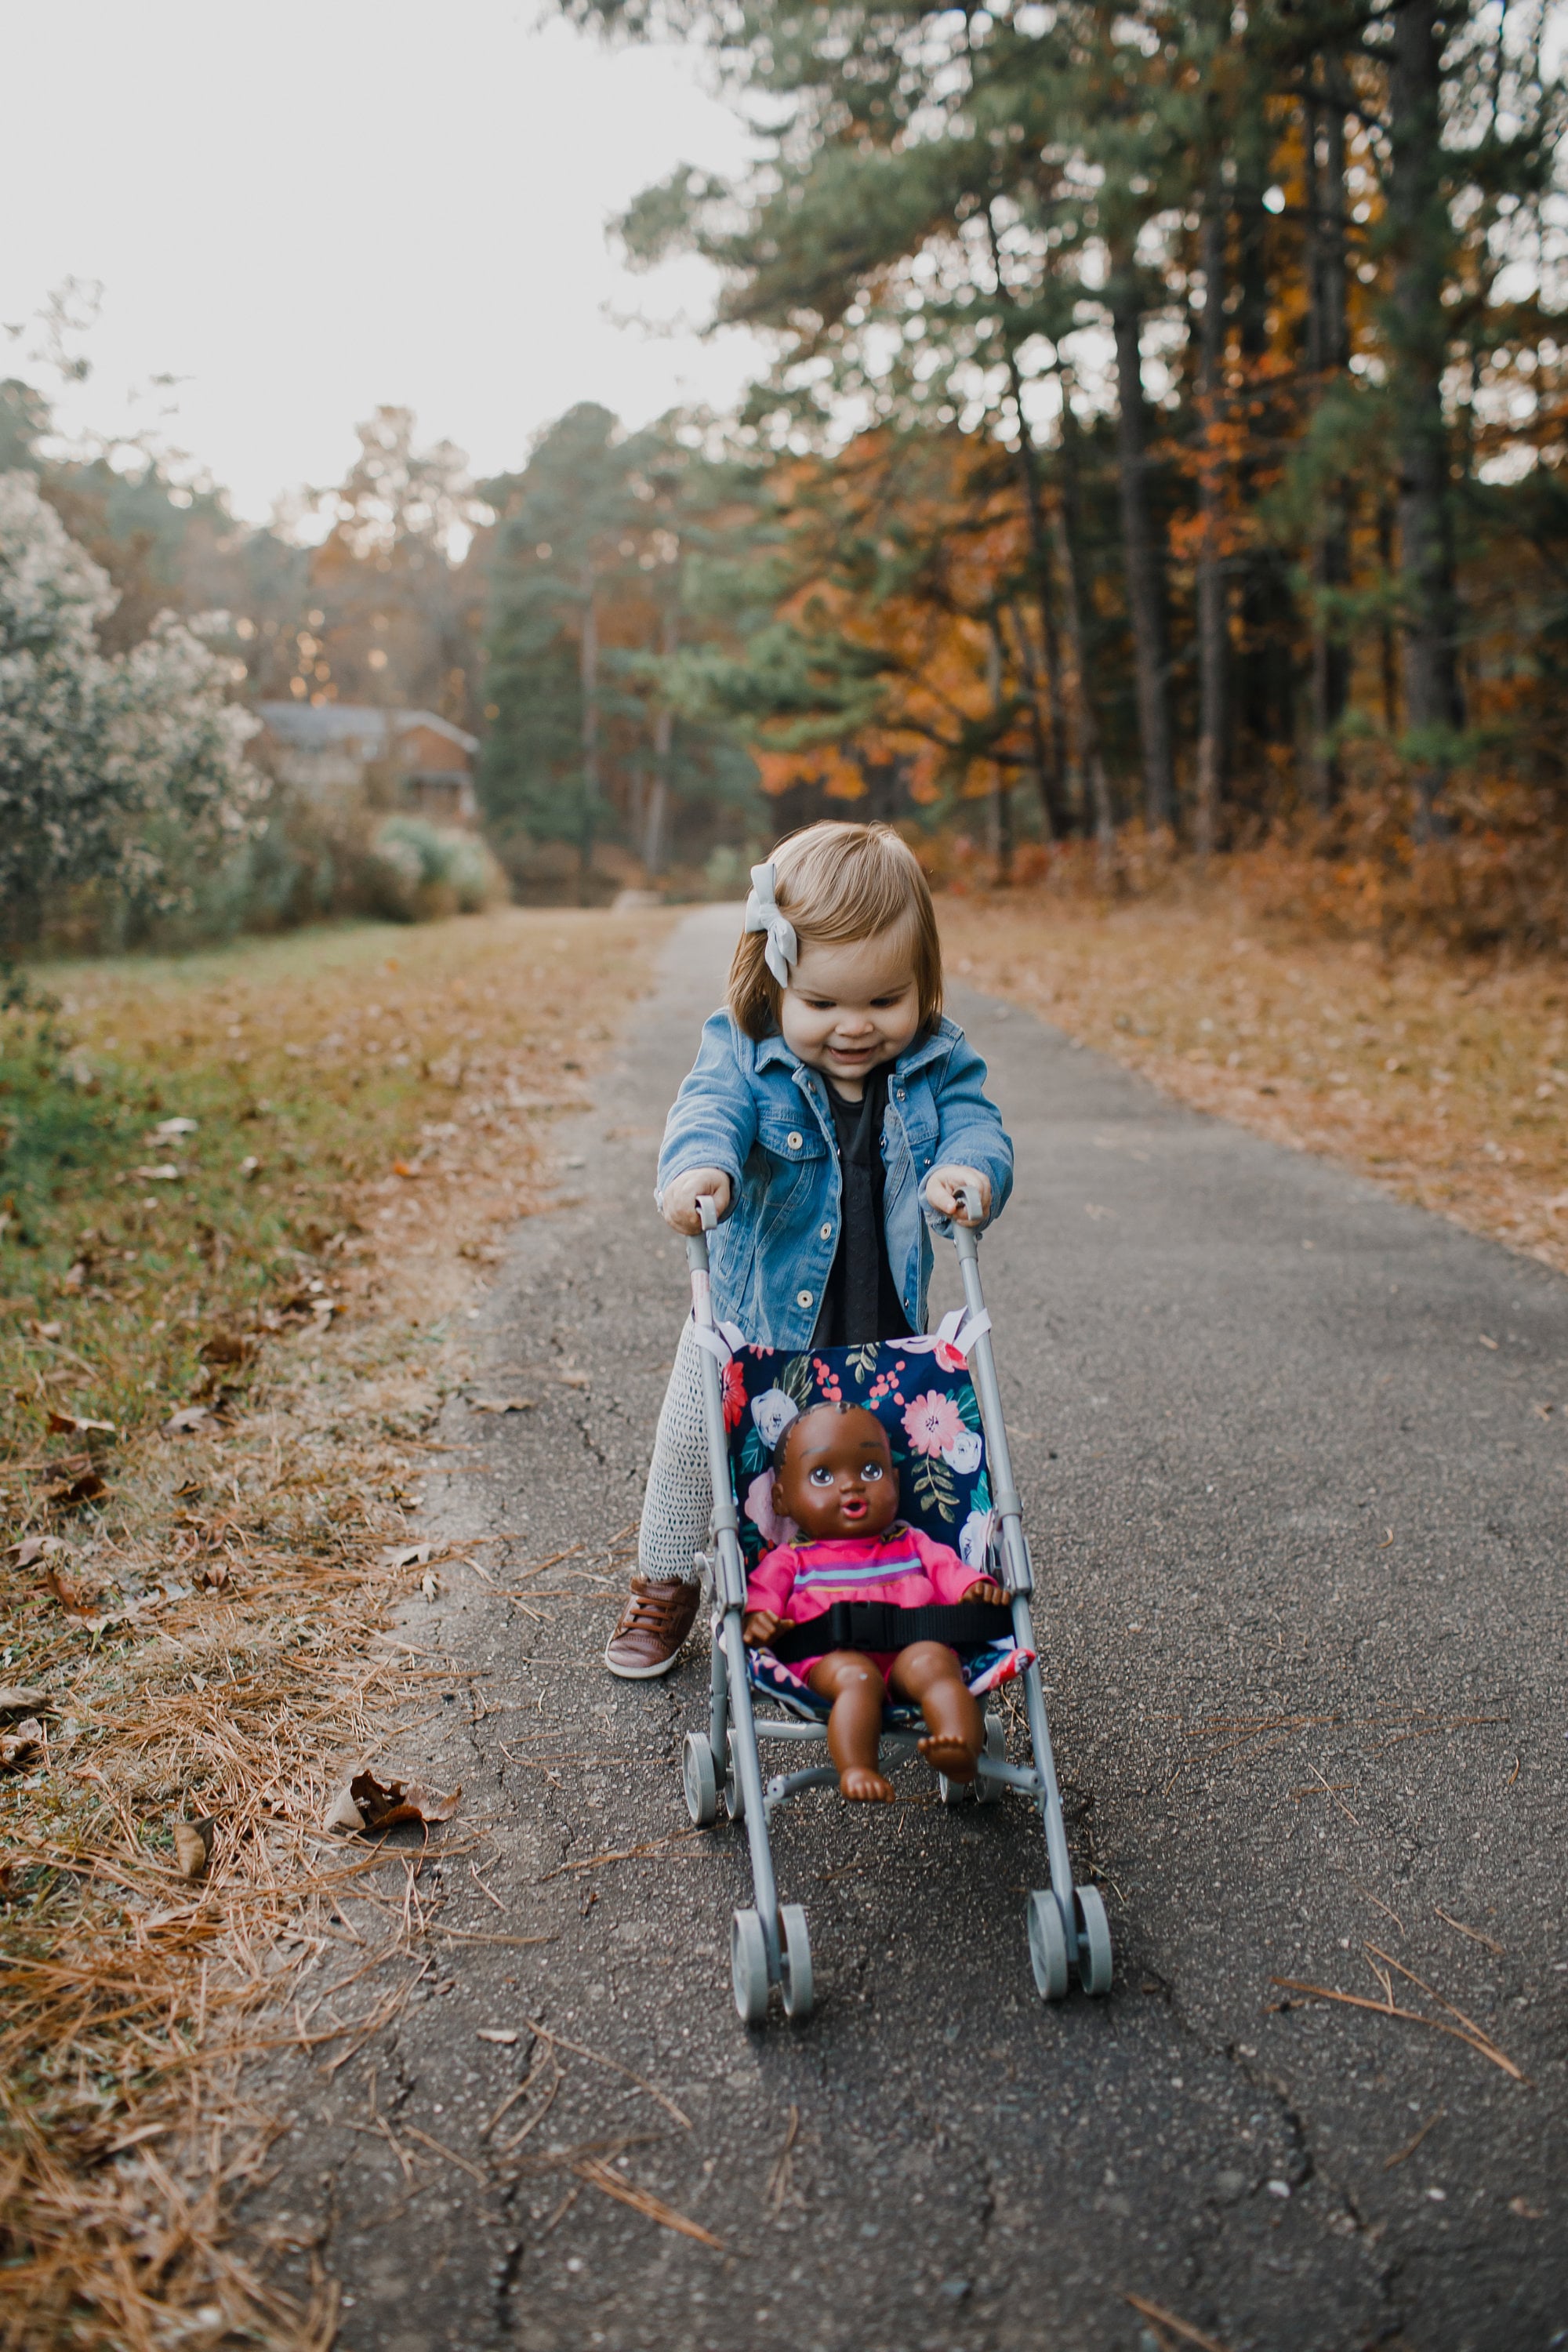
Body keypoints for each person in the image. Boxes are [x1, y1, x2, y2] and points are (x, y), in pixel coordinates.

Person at [605, 818, 1013, 1677]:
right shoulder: (745, 1054)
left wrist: (966, 1173)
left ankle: (896, 1594)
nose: (854, 1027)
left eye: (883, 1001)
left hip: (881, 1331)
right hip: (755, 1329)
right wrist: (703, 1171)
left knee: (885, 1466)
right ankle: (666, 1582)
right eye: (823, 1004)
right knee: (691, 1449)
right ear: (774, 982)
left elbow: (977, 1127)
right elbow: (706, 1113)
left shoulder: (939, 1062)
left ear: (921, 984)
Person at [742, 1403, 1007, 1798]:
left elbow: (949, 1571)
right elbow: (762, 1594)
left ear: (896, 1483)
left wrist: (974, 1588)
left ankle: (960, 1746)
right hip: (831, 1658)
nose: (851, 1485)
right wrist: (760, 1618)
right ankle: (857, 1768)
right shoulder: (791, 1558)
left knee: (937, 1666)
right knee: (857, 1679)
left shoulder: (912, 1543)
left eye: (871, 1471)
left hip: (912, 1648)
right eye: (822, 1475)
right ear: (781, 1500)